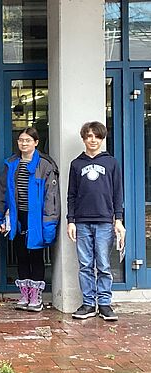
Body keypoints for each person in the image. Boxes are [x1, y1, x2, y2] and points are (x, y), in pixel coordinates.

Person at [0, 127, 60, 312]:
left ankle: (36, 297)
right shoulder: (11, 164)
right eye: (21, 140)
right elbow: (3, 192)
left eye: (28, 140)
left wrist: (49, 223)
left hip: (37, 218)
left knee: (36, 255)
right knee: (21, 254)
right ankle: (24, 294)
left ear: (36, 143)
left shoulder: (45, 165)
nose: (24, 143)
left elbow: (51, 197)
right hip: (17, 216)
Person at [67, 121, 125, 321]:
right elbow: (71, 194)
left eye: (97, 136)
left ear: (102, 139)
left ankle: (105, 304)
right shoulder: (76, 164)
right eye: (89, 136)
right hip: (82, 221)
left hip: (104, 221)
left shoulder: (111, 163)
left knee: (103, 265)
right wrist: (71, 220)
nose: (93, 140)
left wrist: (118, 219)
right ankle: (88, 303)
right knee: (85, 264)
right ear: (84, 138)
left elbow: (118, 193)